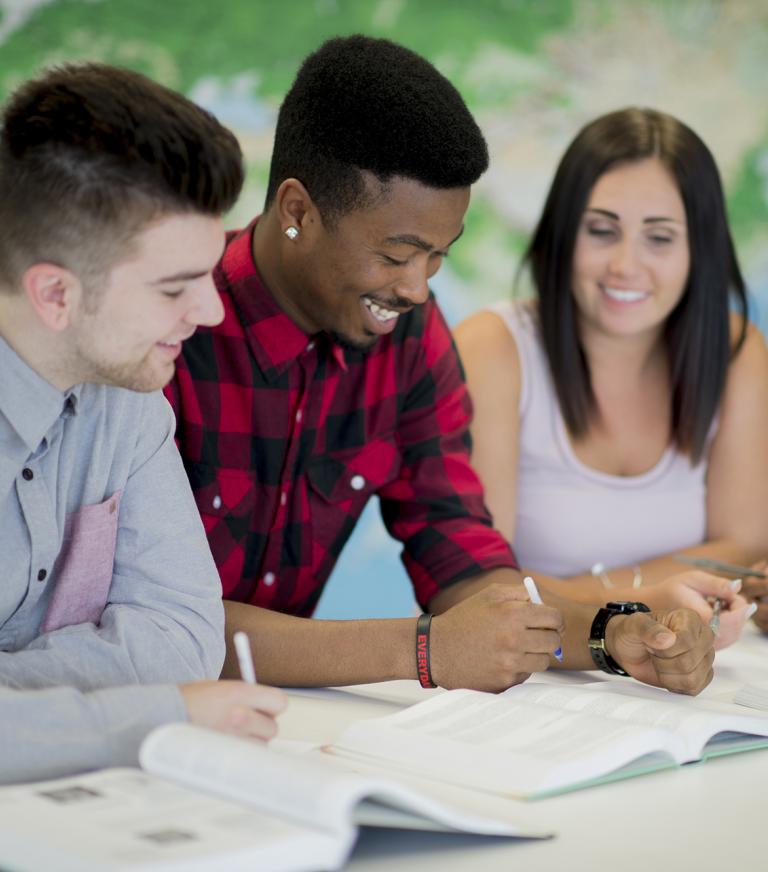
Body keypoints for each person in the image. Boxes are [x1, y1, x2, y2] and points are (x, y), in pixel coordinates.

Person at [166, 36, 720, 695]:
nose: (417, 289)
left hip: (276, 724)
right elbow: (165, 625)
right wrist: (423, 650)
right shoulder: (168, 332)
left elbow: (462, 556)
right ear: (297, 213)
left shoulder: (410, 338)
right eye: (397, 255)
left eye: (438, 257)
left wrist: (610, 635)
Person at [0, 62, 285, 784]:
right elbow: (173, 688)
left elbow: (185, 639)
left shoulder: (129, 394)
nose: (212, 312)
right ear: (56, 294)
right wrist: (151, 714)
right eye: (174, 287)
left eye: (210, 274)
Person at [454, 107, 766, 645]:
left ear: (700, 251)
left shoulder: (736, 351)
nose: (625, 265)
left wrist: (568, 592)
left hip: (694, 670)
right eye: (601, 231)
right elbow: (477, 592)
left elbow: (744, 548)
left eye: (660, 238)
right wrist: (646, 603)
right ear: (560, 234)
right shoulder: (493, 348)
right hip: (531, 675)